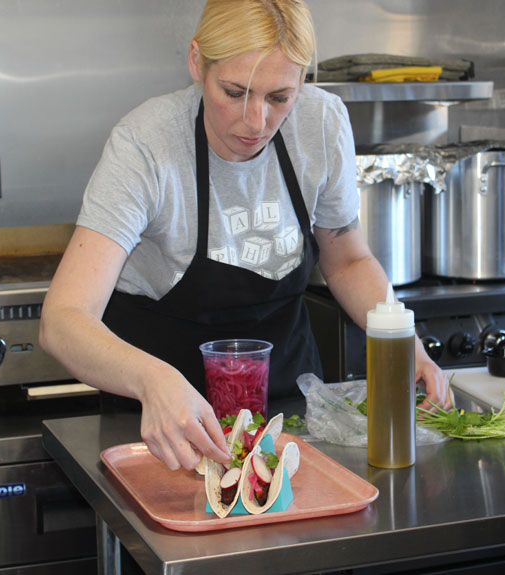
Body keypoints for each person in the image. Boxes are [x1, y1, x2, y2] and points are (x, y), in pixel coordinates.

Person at [39, 0, 451, 473]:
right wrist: (153, 380)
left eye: (279, 97)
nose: (255, 122)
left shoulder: (321, 123)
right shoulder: (148, 145)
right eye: (234, 92)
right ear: (197, 62)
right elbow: (64, 318)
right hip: (163, 428)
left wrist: (402, 342)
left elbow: (347, 261)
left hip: (291, 422)